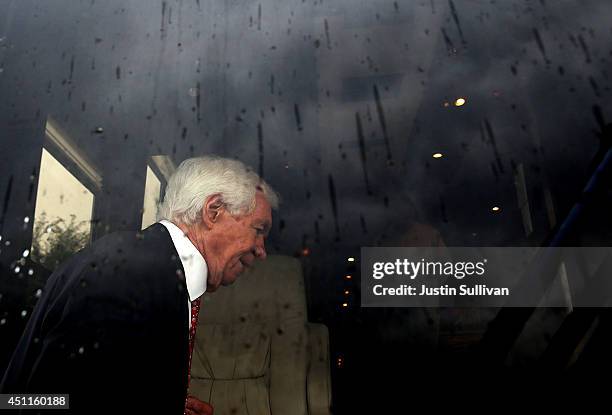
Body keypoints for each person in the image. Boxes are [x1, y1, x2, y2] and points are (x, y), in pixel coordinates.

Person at [0, 156, 278, 415]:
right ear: (213, 210)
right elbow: (44, 401)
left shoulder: (153, 273)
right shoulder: (126, 276)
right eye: (259, 230)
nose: (262, 251)